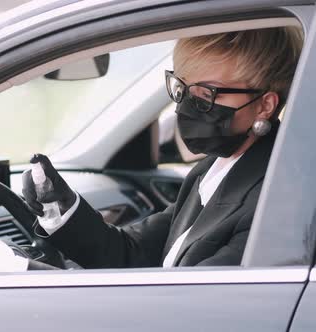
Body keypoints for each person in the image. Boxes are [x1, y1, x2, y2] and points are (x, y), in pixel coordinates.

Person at [22, 27, 303, 268]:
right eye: (183, 89)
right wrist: (60, 209)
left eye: (207, 94)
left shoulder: (275, 198)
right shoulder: (211, 171)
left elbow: (195, 303)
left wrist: (35, 278)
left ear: (265, 105)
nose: (186, 107)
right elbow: (133, 253)